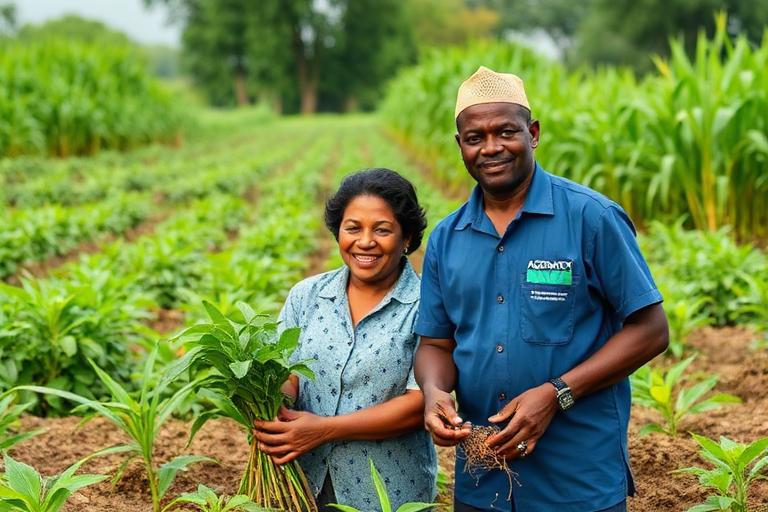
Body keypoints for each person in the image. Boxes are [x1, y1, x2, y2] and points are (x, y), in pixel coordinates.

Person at [414, 66, 669, 512]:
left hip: (577, 479)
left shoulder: (592, 218)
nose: (491, 147)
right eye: (475, 138)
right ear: (460, 146)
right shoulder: (448, 237)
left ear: (532, 133)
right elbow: (436, 342)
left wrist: (557, 393)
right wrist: (434, 394)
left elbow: (650, 329)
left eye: (506, 132)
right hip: (483, 477)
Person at [253, 168, 437, 510]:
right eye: (353, 228)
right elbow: (289, 372)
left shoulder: (427, 303)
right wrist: (271, 402)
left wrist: (324, 429)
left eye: (382, 230)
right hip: (302, 482)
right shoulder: (306, 295)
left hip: (386, 488)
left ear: (407, 238)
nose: (365, 242)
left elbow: (420, 402)